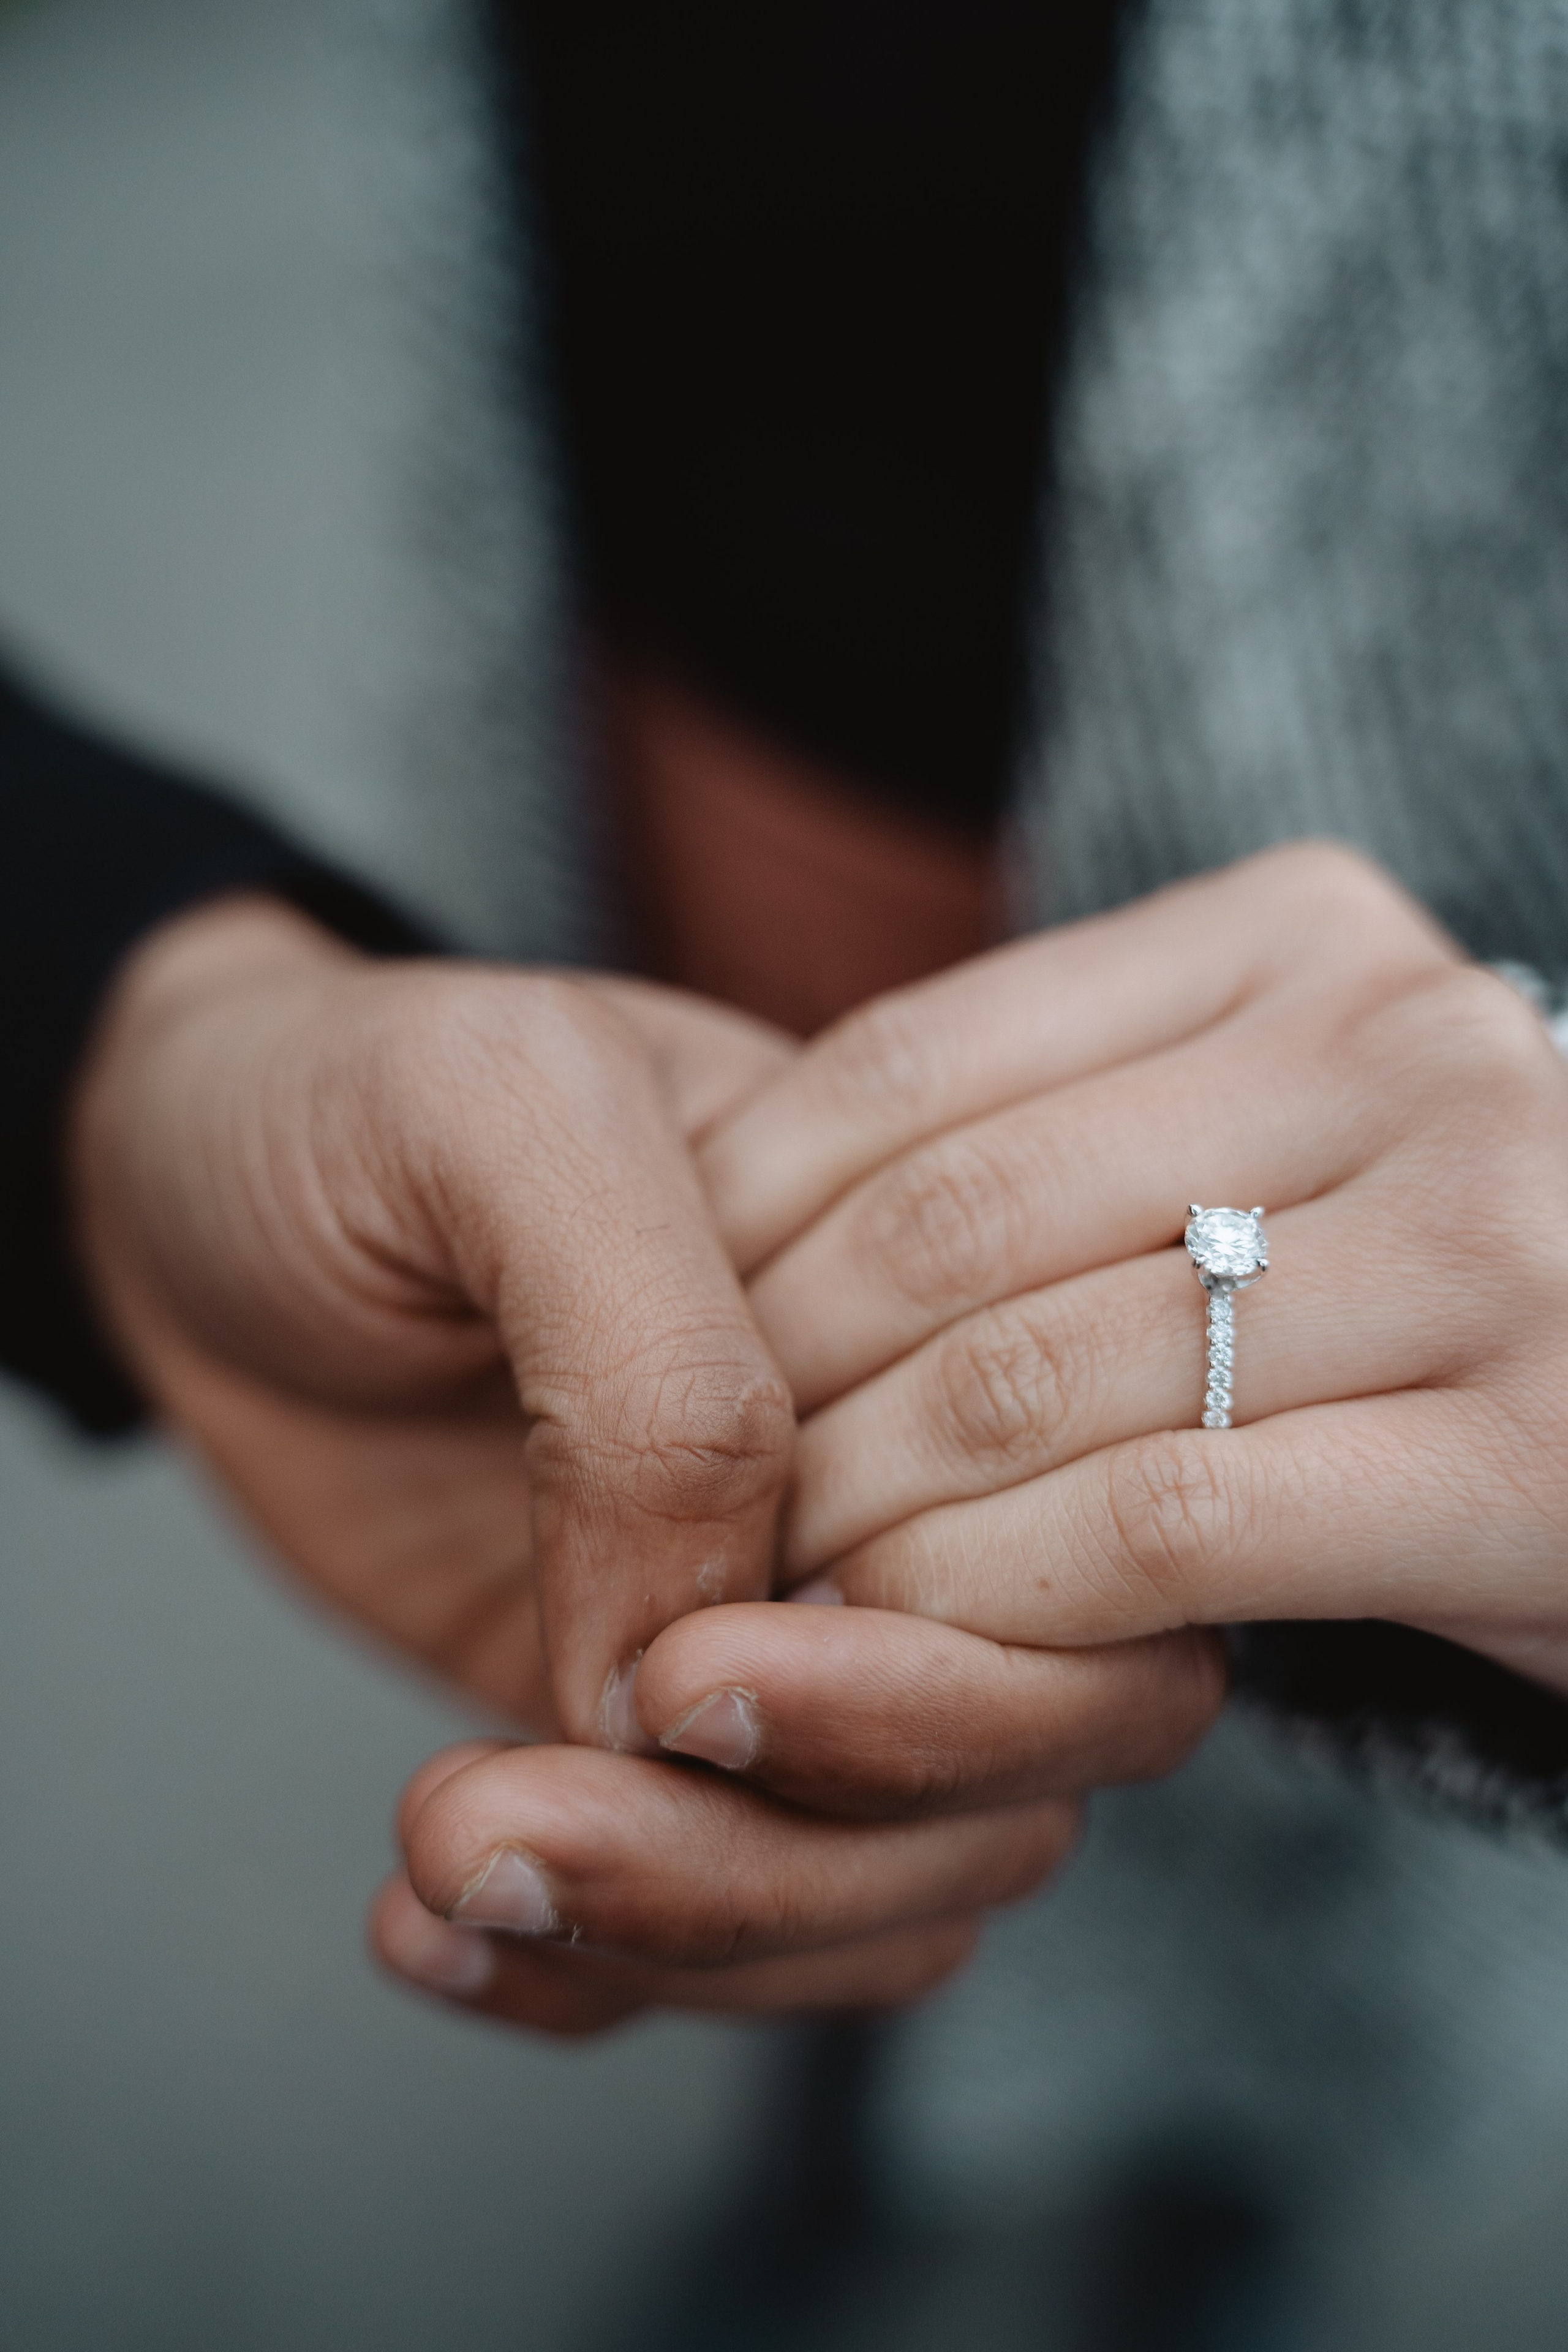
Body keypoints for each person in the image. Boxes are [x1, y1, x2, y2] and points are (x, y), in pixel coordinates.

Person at [7, 0, 1568, 2335]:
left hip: (1419, 1080)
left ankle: (1214, 2182)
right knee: (807, 1674)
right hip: (684, 798)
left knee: (1277, 1730)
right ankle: (868, 2132)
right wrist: (124, 1028)